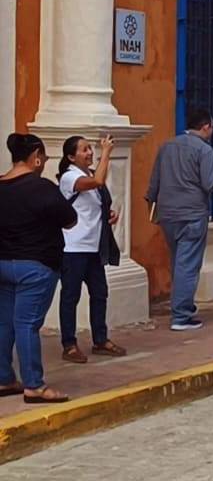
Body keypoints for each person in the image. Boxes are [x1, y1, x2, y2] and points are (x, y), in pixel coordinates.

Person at [145, 108, 213, 331]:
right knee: (188, 265)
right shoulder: (204, 150)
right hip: (191, 214)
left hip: (168, 213)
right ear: (206, 126)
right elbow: (211, 183)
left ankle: (181, 308)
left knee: (178, 262)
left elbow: (154, 181)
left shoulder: (167, 146)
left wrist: (151, 205)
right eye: (212, 127)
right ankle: (181, 315)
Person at [0, 133, 77, 403]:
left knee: (5, 322)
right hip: (36, 265)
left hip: (3, 264)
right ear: (35, 157)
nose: (43, 163)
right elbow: (70, 220)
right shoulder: (41, 187)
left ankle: (4, 378)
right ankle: (34, 385)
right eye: (43, 157)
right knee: (27, 324)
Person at [57, 135, 125, 363]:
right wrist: (106, 152)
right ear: (71, 157)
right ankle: (69, 344)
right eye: (84, 149)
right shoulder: (69, 177)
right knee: (70, 296)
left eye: (90, 149)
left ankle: (100, 339)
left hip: (94, 246)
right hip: (73, 247)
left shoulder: (90, 174)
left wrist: (108, 214)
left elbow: (94, 203)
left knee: (99, 293)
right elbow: (97, 181)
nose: (89, 153)